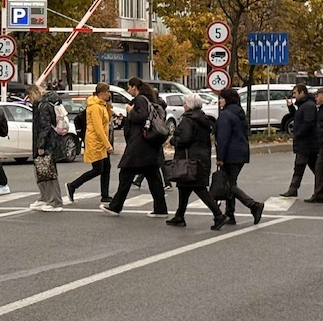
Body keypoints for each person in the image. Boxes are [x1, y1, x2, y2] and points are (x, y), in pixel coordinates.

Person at [103, 78, 167, 217]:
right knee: (154, 178)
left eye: (129, 87)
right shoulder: (148, 100)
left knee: (125, 175)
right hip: (147, 147)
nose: (128, 90)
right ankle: (161, 209)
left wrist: (129, 111)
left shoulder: (140, 99)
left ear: (134, 87)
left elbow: (141, 116)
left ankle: (115, 206)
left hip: (139, 146)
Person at [167, 93, 228, 230]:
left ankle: (219, 215)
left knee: (199, 188)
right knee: (184, 187)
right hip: (201, 157)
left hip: (189, 159)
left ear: (189, 105)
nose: (183, 106)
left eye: (185, 103)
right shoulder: (203, 118)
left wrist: (174, 140)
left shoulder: (188, 119)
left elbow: (185, 138)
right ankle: (179, 216)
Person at [214, 88, 265, 225]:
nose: (220, 101)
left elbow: (223, 138)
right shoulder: (239, 113)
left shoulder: (226, 115)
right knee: (231, 183)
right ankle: (230, 214)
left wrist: (220, 157)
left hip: (230, 154)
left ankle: (253, 205)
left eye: (222, 98)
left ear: (227, 99)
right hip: (240, 152)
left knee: (229, 185)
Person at [67, 83, 113, 203]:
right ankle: (73, 185)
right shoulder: (95, 107)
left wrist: (109, 107)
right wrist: (108, 145)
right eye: (108, 92)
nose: (109, 94)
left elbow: (107, 120)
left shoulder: (102, 105)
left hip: (101, 142)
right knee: (98, 169)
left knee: (106, 167)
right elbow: (98, 129)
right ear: (102, 93)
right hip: (96, 142)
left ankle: (105, 195)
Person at [29, 84, 65, 212]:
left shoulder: (43, 106)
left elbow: (45, 127)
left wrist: (41, 145)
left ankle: (54, 201)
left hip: (48, 143)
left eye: (29, 96)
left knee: (48, 172)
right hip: (48, 142)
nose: (28, 99)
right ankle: (45, 197)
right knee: (42, 171)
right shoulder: (43, 104)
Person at [280, 84, 319, 197]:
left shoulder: (308, 106)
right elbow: (297, 117)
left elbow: (308, 123)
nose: (294, 95)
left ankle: (293, 189)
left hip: (306, 143)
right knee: (314, 167)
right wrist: (291, 107)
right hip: (306, 143)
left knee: (299, 166)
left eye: (295, 93)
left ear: (302, 93)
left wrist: (298, 134)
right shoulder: (304, 105)